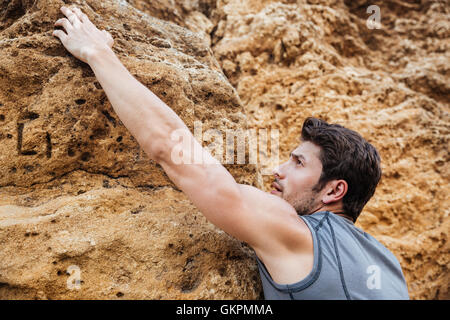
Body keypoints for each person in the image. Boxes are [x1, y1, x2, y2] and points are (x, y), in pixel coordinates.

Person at [52, 6, 409, 300]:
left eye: (298, 163)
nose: (277, 171)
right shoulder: (389, 265)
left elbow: (174, 152)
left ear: (333, 191)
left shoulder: (296, 233)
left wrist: (98, 54)